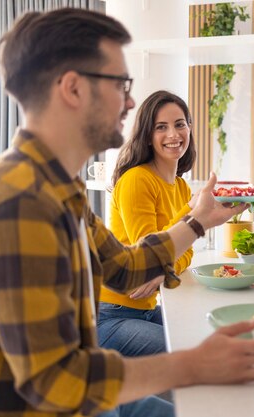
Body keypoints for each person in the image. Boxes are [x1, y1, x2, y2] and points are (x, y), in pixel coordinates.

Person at [0, 9, 254, 417]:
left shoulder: (57, 187)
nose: (131, 101)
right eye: (120, 84)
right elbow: (57, 382)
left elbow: (126, 267)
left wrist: (199, 220)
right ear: (73, 89)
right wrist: (191, 363)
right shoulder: (16, 203)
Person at [98, 90, 196, 356]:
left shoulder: (181, 188)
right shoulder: (136, 180)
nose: (174, 135)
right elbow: (150, 254)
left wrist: (161, 270)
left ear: (189, 128)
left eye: (180, 124)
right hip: (111, 316)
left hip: (145, 309)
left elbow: (186, 251)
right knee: (187, 351)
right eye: (161, 127)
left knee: (205, 333)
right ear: (148, 137)